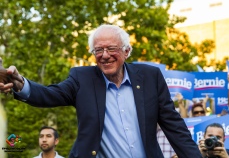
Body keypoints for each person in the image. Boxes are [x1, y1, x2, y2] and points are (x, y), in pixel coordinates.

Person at [0, 24, 202, 158]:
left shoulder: (150, 77)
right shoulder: (82, 79)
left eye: (111, 48)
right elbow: (48, 94)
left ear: (126, 51)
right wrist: (21, 84)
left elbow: (174, 126)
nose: (105, 56)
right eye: (98, 50)